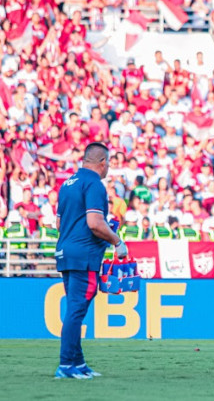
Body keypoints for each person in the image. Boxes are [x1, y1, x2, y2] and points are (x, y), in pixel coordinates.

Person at [54, 143, 128, 379]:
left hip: (66, 252)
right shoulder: (94, 184)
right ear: (103, 162)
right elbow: (95, 223)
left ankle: (78, 362)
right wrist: (117, 241)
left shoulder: (67, 183)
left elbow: (58, 224)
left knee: (74, 308)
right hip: (83, 256)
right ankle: (66, 365)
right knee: (76, 310)